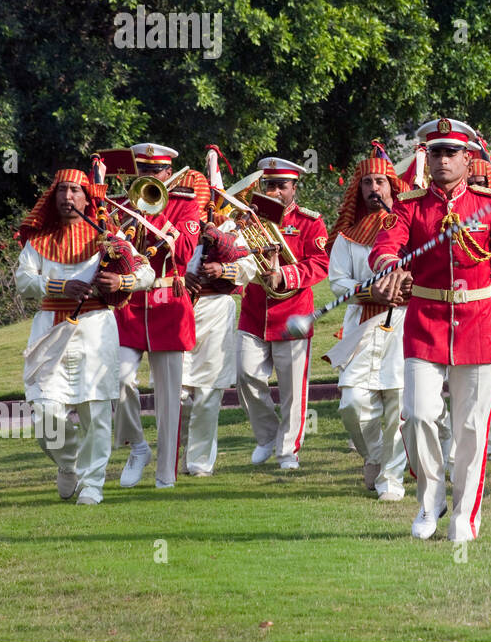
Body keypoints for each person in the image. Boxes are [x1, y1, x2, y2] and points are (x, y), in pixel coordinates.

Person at [369, 117, 491, 541]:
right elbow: (389, 244)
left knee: (472, 430)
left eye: (450, 153)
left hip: (478, 327)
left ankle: (464, 518)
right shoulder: (411, 204)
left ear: (467, 158)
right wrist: (386, 266)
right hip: (424, 324)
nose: (441, 159)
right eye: (435, 152)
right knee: (419, 415)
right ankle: (429, 502)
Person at [14, 169, 153, 504]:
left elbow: (145, 271)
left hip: (95, 328)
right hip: (50, 331)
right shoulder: (39, 241)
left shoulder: (108, 235)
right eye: (61, 190)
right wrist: (59, 286)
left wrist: (122, 283)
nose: (67, 197)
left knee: (95, 411)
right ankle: (68, 464)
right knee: (46, 414)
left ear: (88, 197)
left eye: (75, 190)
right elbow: (23, 281)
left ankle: (92, 485)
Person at [113, 142, 203, 489]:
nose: (148, 176)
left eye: (155, 172)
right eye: (143, 171)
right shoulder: (121, 205)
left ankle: (166, 474)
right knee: (118, 380)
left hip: (168, 303)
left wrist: (155, 208)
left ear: (168, 173)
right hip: (131, 305)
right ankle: (137, 447)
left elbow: (182, 252)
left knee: (168, 398)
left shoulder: (185, 203)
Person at [325, 150, 411, 499]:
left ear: (392, 185)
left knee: (398, 402)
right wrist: (368, 290)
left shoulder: (411, 226)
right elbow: (337, 281)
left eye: (380, 181)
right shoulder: (347, 237)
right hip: (362, 322)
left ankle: (392, 479)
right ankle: (375, 456)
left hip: (405, 322)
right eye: (367, 183)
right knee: (352, 402)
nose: (374, 188)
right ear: (358, 189)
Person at [236, 157, 329, 470]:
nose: (274, 191)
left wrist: (286, 275)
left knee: (292, 389)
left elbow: (320, 263)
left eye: (281, 186)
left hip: (292, 312)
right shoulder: (251, 217)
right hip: (254, 311)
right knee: (246, 375)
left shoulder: (309, 221)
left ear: (294, 188)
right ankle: (268, 435)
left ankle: (288, 450)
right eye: (270, 185)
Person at [179, 167, 258, 477]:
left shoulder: (234, 229)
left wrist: (222, 272)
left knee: (208, 391)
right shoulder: (174, 227)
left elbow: (250, 265)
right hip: (179, 308)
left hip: (215, 308)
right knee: (179, 391)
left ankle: (199, 462)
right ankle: (177, 450)